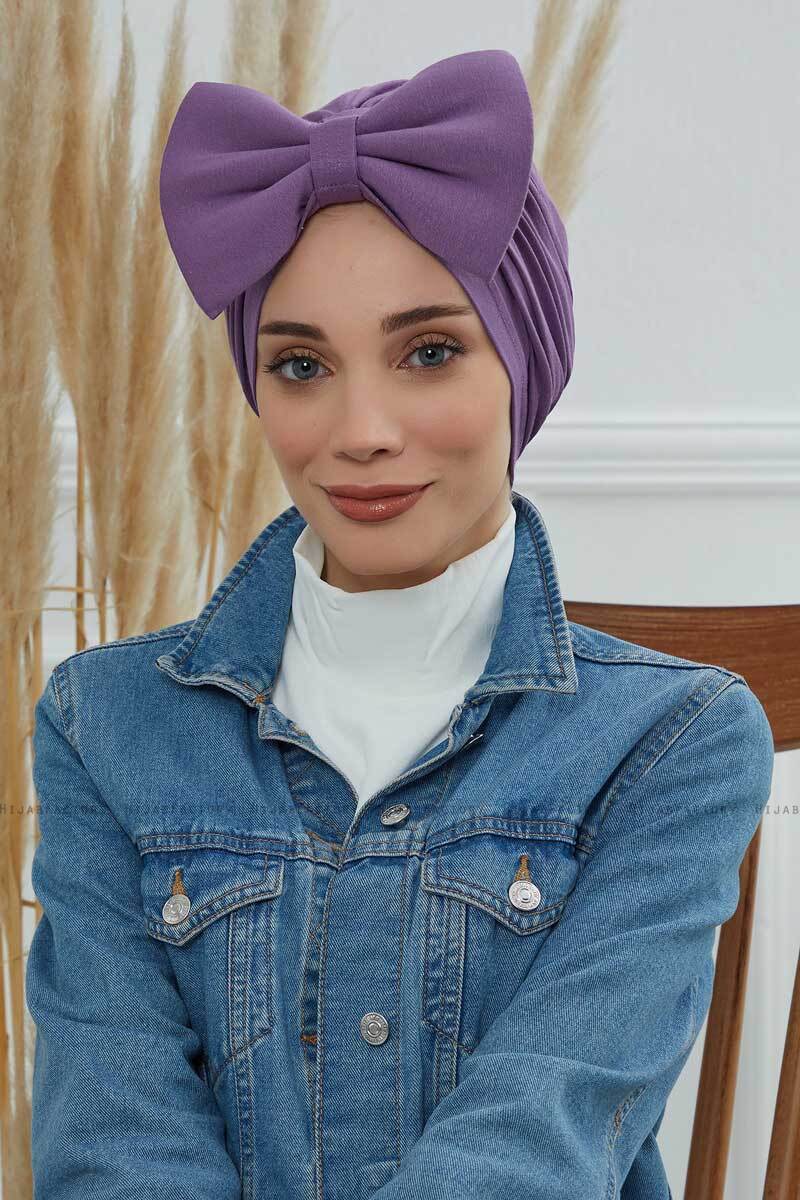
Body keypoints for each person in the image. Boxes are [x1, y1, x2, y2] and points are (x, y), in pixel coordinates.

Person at [25, 48, 774, 1200]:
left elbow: (534, 1149)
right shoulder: (103, 725)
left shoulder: (674, 741)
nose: (360, 429)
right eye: (300, 364)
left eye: (428, 352)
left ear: (522, 367)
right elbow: (121, 1150)